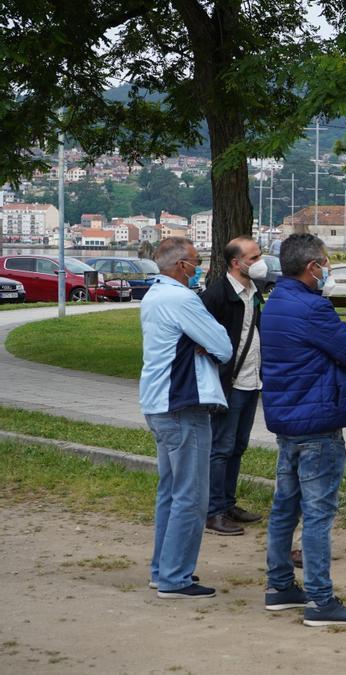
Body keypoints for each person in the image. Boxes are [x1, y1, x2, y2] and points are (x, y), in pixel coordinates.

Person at [260, 233, 346, 627]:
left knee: (284, 507)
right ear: (312, 268)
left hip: (287, 417)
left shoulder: (274, 303)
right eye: (325, 262)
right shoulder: (313, 309)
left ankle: (279, 586)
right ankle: (321, 601)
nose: (328, 269)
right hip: (318, 421)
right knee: (318, 513)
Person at [139, 236, 233, 599]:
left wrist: (201, 342)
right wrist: (204, 342)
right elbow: (223, 345)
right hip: (183, 404)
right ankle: (175, 577)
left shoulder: (153, 295)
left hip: (159, 404)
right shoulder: (181, 298)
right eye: (196, 261)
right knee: (191, 496)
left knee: (170, 492)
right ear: (181, 266)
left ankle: (162, 569)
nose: (200, 267)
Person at [201, 236, 268, 536]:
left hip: (252, 380)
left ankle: (228, 503)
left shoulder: (253, 292)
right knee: (222, 446)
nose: (259, 263)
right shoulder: (216, 296)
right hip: (229, 382)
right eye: (253, 258)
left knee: (238, 445)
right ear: (235, 263)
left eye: (259, 256)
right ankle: (213, 510)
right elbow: (201, 339)